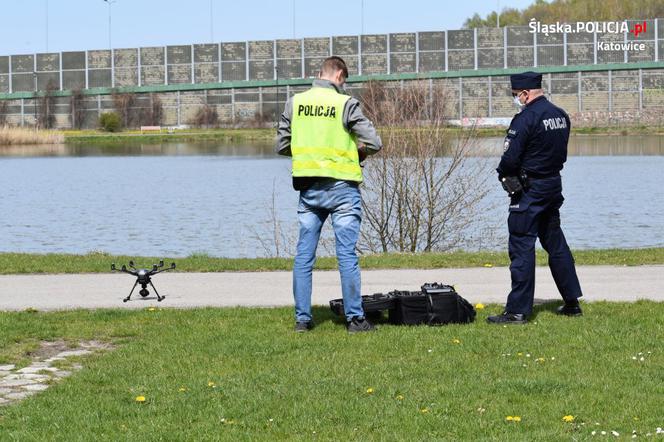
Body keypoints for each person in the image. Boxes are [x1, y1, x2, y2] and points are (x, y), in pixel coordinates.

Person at [276, 56, 382, 333]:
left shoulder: (295, 102)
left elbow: (282, 144)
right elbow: (374, 142)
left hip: (308, 188)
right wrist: (357, 153)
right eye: (343, 82)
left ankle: (303, 320)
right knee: (346, 254)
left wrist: (308, 153)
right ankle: (355, 319)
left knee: (303, 255)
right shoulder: (345, 104)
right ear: (338, 76)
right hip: (342, 188)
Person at [487, 71, 583, 325]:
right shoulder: (560, 115)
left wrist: (504, 175)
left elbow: (510, 159)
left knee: (521, 247)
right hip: (553, 185)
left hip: (530, 190)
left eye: (516, 95)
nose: (516, 99)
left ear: (525, 93)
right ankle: (572, 302)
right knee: (556, 243)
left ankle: (517, 311)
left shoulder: (526, 118)